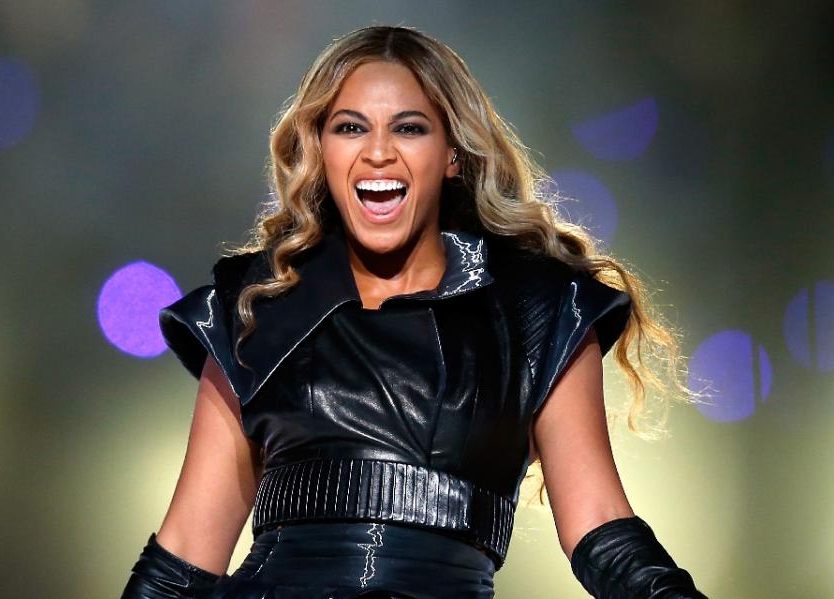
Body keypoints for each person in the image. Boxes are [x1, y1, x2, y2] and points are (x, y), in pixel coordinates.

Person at [121, 25, 706, 598]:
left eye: (409, 128)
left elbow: (600, 524)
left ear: (452, 155)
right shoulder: (257, 301)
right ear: (320, 150)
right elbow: (187, 552)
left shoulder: (539, 308)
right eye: (350, 128)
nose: (378, 152)